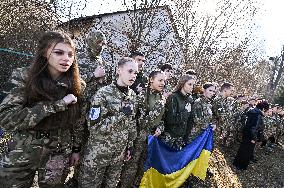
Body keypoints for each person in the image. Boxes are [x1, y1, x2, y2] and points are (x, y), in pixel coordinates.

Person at [0, 31, 85, 187]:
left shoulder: (77, 85)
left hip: (58, 153)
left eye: (70, 54)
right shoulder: (24, 77)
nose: (66, 58)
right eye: (59, 52)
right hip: (23, 149)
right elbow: (7, 118)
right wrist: (58, 105)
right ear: (45, 53)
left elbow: (78, 122)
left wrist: (76, 149)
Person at [78, 57, 138, 188]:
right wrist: (121, 114)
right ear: (119, 70)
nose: (133, 76)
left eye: (136, 73)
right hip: (97, 157)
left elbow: (131, 123)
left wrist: (130, 145)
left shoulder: (133, 95)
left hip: (117, 157)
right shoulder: (103, 94)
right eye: (130, 71)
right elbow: (95, 127)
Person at [120, 70, 166, 188]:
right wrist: (159, 106)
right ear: (151, 80)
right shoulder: (142, 95)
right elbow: (141, 121)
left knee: (144, 165)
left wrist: (160, 128)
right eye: (160, 80)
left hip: (152, 138)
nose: (163, 83)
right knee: (131, 166)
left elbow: (162, 118)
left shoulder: (160, 96)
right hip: (139, 136)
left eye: (164, 81)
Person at [160, 75, 196, 149]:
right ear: (182, 84)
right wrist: (185, 112)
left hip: (180, 138)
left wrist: (186, 137)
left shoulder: (190, 99)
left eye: (193, 85)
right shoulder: (173, 97)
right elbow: (171, 119)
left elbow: (190, 120)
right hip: (169, 136)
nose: (192, 87)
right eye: (189, 84)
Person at [233, 100, 269, 170]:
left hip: (246, 133)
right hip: (251, 136)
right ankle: (241, 166)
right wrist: (254, 138)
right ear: (264, 109)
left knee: (242, 149)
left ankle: (236, 163)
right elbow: (254, 128)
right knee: (247, 152)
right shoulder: (258, 115)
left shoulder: (252, 111)